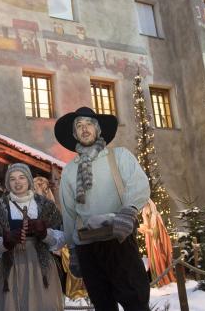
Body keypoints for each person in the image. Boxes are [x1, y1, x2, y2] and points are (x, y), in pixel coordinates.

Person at [55, 107, 151, 311]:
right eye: (79, 126)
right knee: (103, 304)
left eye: (89, 124)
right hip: (87, 246)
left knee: (136, 302)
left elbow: (138, 184)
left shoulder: (120, 156)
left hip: (119, 239)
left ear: (98, 130)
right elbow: (69, 212)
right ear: (74, 134)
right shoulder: (70, 169)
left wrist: (129, 210)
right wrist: (72, 249)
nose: (84, 129)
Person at [0, 163, 65, 311]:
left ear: (29, 180)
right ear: (7, 183)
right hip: (11, 268)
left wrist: (45, 234)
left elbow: (61, 238)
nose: (17, 182)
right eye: (12, 179)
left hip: (41, 268)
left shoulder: (45, 205)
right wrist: (5, 242)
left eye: (22, 177)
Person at [137, 199, 176, 287]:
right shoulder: (147, 215)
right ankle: (157, 279)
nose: (145, 210)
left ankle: (162, 279)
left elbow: (155, 233)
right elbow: (147, 226)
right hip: (151, 243)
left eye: (146, 207)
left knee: (159, 260)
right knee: (154, 260)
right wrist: (142, 228)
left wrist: (144, 229)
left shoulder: (156, 217)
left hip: (157, 244)